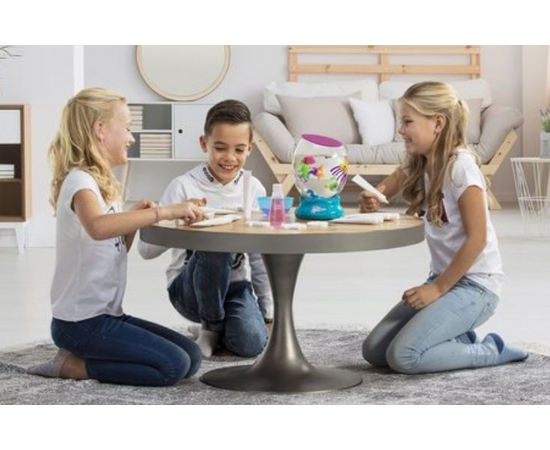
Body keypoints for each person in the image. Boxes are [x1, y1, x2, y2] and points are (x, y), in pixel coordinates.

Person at [28, 88, 205, 386]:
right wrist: (162, 212)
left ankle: (90, 357)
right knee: (173, 366)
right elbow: (98, 228)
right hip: (79, 323)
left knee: (192, 356)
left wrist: (131, 222)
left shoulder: (102, 185)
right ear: (100, 130)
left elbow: (114, 247)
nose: (131, 138)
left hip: (108, 315)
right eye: (127, 128)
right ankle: (74, 366)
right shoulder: (80, 181)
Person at [359, 81, 528, 374]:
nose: (400, 131)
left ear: (438, 123)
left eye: (408, 122)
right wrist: (377, 193)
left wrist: (437, 288)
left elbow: (478, 239)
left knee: (404, 357)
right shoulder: (425, 162)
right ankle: (456, 336)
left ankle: (491, 349)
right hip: (445, 280)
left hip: (476, 288)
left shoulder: (461, 168)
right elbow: (399, 176)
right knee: (374, 351)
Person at [138, 100, 273, 358]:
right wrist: (176, 217)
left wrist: (268, 314)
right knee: (216, 240)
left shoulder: (254, 188)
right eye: (220, 148)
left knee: (252, 344)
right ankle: (210, 328)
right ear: (204, 143)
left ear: (250, 149)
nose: (229, 158)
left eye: (239, 149)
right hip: (189, 291)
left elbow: (259, 256)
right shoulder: (182, 186)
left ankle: (212, 329)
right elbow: (146, 251)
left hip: (235, 287)